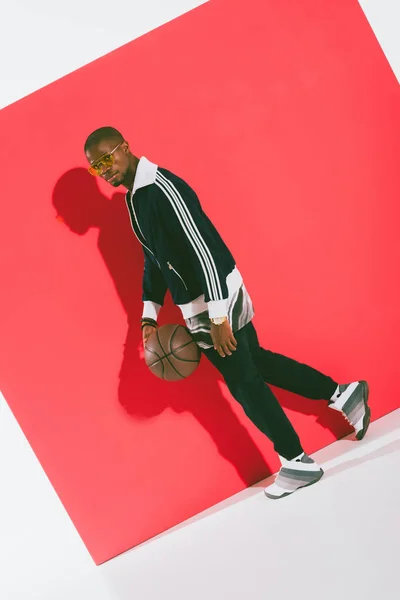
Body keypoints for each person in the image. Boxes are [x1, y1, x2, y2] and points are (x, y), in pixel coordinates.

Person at [84, 126, 370, 500]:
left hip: (215, 297)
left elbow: (205, 250)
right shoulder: (135, 198)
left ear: (125, 147)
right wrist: (148, 315)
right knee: (258, 365)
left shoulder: (163, 188)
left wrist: (218, 317)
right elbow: (153, 260)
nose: (104, 169)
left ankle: (296, 461)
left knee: (244, 384)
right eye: (95, 167)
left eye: (107, 158)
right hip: (198, 303)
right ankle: (344, 395)